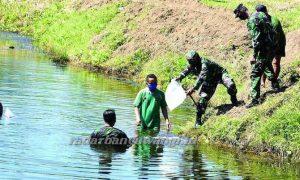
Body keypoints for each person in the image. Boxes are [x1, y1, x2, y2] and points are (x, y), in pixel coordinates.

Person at [234, 4, 280, 108]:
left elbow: (256, 40)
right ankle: (275, 84)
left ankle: (255, 100)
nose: (240, 18)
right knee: (266, 64)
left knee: (255, 74)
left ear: (242, 12)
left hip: (264, 48)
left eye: (239, 15)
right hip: (272, 46)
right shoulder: (261, 14)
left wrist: (254, 56)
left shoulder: (251, 21)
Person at [175, 50, 238, 126]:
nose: (190, 63)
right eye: (189, 61)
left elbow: (201, 78)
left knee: (231, 85)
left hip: (220, 75)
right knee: (202, 100)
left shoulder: (204, 64)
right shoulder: (192, 65)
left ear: (196, 59)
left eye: (191, 61)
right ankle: (198, 121)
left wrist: (192, 89)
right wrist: (180, 77)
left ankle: (233, 97)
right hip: (209, 81)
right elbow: (186, 70)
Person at [255, 5, 286, 87]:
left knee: (276, 62)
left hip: (279, 42)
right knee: (266, 62)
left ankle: (274, 82)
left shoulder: (274, 22)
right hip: (269, 44)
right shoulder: (260, 21)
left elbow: (275, 37)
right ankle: (263, 82)